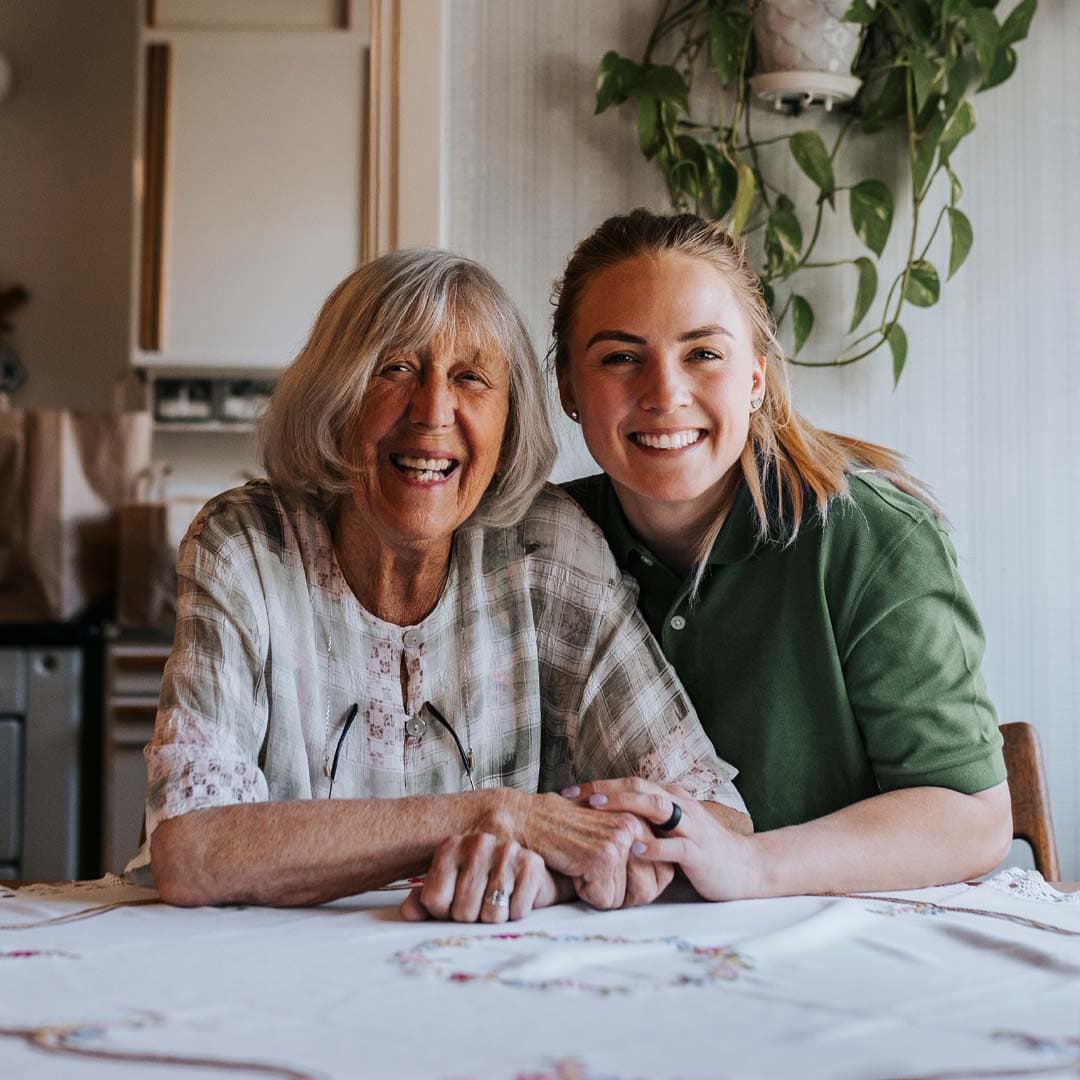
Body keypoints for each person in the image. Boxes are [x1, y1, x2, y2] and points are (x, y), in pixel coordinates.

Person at [134, 247, 749, 919]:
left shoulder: (546, 551)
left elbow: (713, 818)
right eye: (394, 369)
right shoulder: (246, 544)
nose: (432, 411)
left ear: (509, 421)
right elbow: (191, 851)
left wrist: (557, 873)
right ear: (334, 397)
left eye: (470, 378)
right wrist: (489, 815)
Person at [551, 208, 1012, 899]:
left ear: (756, 378)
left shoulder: (870, 536)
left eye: (703, 354)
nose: (665, 394)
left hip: (831, 937)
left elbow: (973, 817)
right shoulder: (544, 544)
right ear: (568, 388)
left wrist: (750, 864)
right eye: (621, 357)